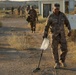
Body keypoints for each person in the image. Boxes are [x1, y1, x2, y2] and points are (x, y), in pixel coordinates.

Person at [43, 3, 71, 69]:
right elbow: (46, 26)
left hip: (62, 35)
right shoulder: (50, 16)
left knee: (65, 49)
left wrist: (69, 30)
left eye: (58, 9)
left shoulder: (62, 15)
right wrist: (45, 34)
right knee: (54, 50)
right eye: (55, 9)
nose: (57, 10)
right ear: (53, 8)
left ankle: (62, 61)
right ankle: (57, 63)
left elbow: (67, 23)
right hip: (54, 36)